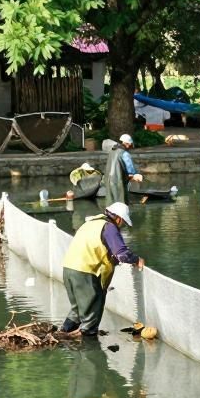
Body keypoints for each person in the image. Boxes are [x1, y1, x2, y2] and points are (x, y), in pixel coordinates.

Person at [59, 201, 144, 337]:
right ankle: (88, 344)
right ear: (118, 218)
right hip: (85, 273)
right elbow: (122, 254)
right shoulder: (109, 227)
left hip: (68, 269)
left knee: (77, 311)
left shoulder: (90, 223)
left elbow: (100, 249)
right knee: (91, 316)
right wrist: (136, 259)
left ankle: (62, 335)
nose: (121, 225)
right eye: (123, 222)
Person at [104, 133, 143, 204]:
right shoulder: (125, 154)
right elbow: (131, 171)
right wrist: (136, 176)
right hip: (119, 181)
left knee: (111, 203)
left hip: (108, 181)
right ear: (128, 144)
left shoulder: (111, 152)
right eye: (131, 145)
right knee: (121, 202)